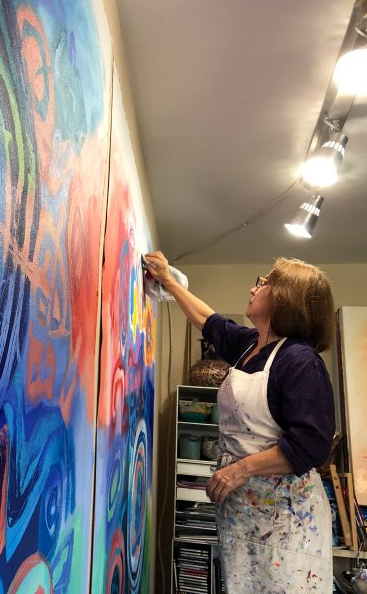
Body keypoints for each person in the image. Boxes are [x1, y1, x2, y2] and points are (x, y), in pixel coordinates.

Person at [144, 251, 336, 593]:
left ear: (285, 298)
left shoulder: (299, 360)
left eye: (265, 283)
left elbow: (312, 444)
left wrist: (238, 470)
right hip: (244, 509)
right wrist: (168, 281)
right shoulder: (251, 344)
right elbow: (209, 320)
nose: (254, 287)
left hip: (284, 519)